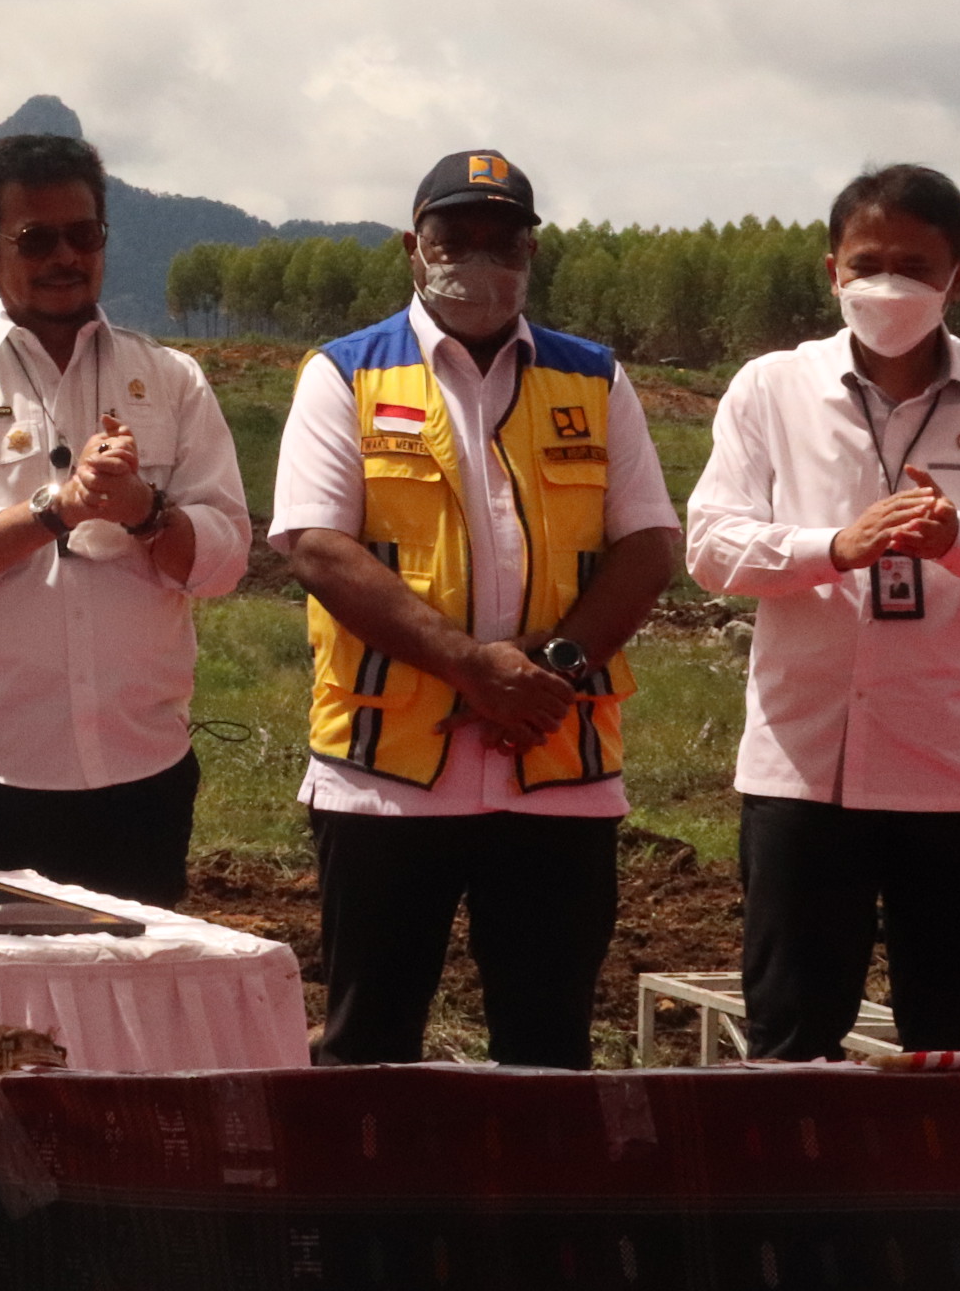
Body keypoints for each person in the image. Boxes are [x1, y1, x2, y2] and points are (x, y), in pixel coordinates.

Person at [688, 164, 960, 1059]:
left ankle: (938, 1202)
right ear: (831, 269)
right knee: (791, 1037)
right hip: (807, 771)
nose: (888, 285)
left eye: (915, 266)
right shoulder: (771, 389)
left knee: (956, 1044)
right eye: (867, 260)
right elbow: (711, 545)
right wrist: (829, 548)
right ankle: (802, 1200)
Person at [270, 149, 680, 1068]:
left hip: (556, 771)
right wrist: (472, 668)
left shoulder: (596, 381)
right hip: (385, 780)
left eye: (505, 241)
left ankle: (530, 1217)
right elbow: (318, 548)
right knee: (371, 1044)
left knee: (547, 1047)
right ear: (415, 248)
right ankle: (371, 1218)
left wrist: (555, 670)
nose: (479, 261)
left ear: (532, 253)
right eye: (457, 238)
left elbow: (650, 547)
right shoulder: (343, 376)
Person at [0, 133, 251, 907]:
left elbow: (224, 559)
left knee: (130, 1016)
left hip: (140, 769)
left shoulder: (171, 380)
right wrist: (62, 507)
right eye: (35, 239)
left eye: (84, 234)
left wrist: (146, 513)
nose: (65, 256)